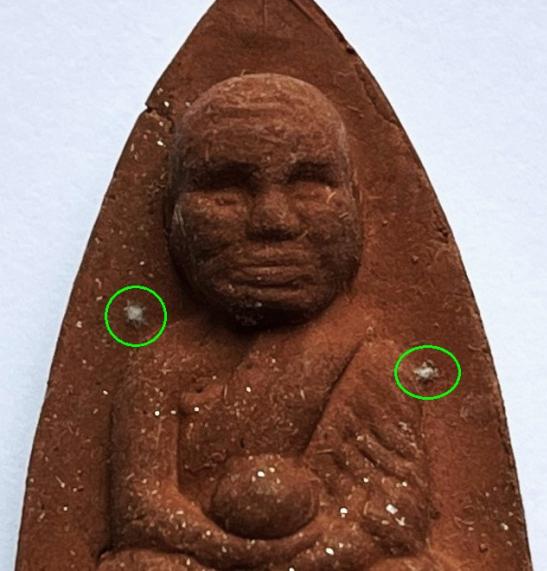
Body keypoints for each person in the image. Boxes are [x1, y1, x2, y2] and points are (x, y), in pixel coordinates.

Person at [98, 74, 439, 570]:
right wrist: (241, 552)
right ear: (171, 217)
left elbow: (392, 519)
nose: (273, 220)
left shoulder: (368, 359)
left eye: (309, 186)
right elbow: (140, 511)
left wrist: (303, 557)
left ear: (358, 206)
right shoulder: (162, 364)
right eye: (227, 192)